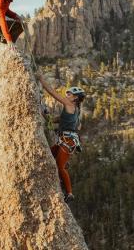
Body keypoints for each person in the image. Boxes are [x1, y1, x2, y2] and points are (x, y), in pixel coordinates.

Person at [37, 74, 86, 203]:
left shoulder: (70, 105)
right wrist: (44, 114)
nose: (67, 95)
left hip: (67, 141)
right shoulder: (73, 110)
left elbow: (53, 93)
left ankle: (69, 193)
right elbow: (56, 120)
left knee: (60, 166)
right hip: (64, 141)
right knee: (48, 155)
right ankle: (58, 182)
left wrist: (41, 80)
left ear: (75, 98)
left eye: (69, 94)